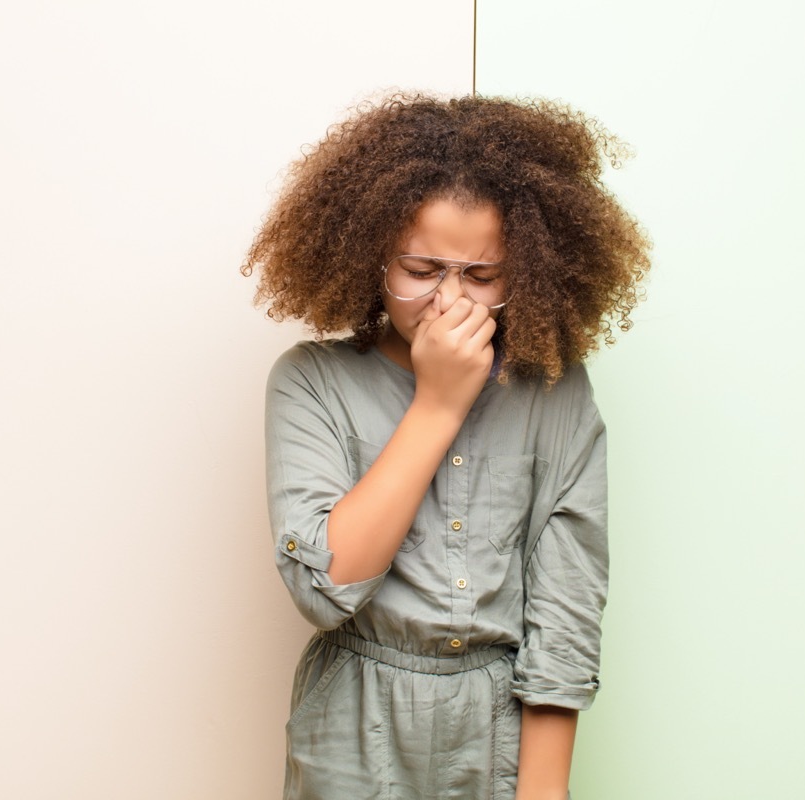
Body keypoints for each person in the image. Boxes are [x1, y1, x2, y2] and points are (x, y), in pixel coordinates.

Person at [243, 94, 651, 800]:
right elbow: (324, 587)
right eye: (421, 270)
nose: (448, 302)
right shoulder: (309, 382)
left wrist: (543, 791)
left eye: (482, 277)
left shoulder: (555, 394)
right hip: (351, 730)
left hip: (498, 731)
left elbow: (566, 610)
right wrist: (438, 402)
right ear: (372, 254)